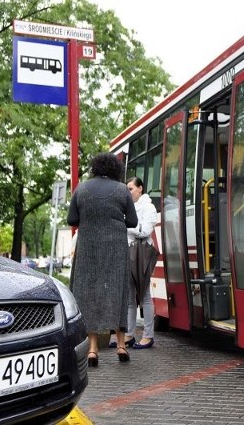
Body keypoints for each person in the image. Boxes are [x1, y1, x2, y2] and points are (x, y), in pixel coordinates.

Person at [67, 152, 138, 367]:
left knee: (88, 293)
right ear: (116, 170)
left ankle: (92, 349)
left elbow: (72, 219)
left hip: (88, 248)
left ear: (95, 168)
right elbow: (133, 221)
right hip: (116, 249)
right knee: (118, 292)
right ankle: (121, 345)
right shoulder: (121, 190)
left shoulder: (81, 188)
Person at [109, 176, 158, 349]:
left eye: (131, 189)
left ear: (140, 189)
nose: (128, 192)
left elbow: (145, 231)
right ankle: (129, 335)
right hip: (128, 253)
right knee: (129, 297)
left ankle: (148, 335)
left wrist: (124, 225)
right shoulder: (128, 208)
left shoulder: (149, 207)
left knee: (144, 295)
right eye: (127, 189)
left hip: (141, 254)